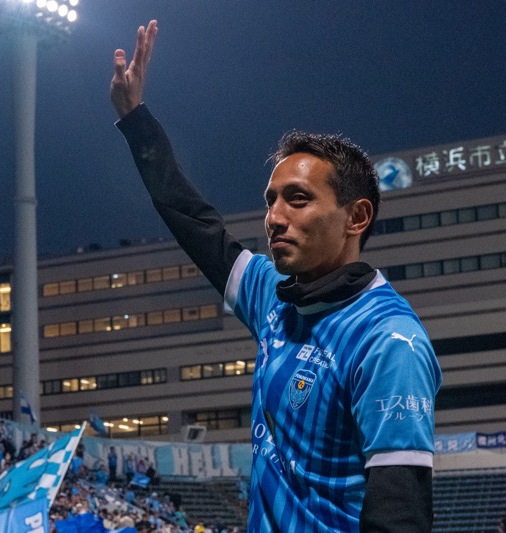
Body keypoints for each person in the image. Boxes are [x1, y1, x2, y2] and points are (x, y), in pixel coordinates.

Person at [110, 20, 442, 532]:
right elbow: (193, 220)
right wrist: (135, 120)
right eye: (271, 200)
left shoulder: (388, 341)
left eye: (298, 199)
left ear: (356, 217)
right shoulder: (276, 296)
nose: (274, 217)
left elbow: (401, 514)